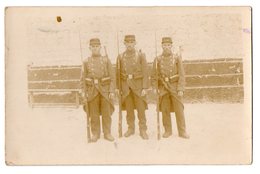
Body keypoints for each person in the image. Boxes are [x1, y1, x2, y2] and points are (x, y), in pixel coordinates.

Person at [151, 37, 189, 139]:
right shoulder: (157, 59)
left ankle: (182, 131)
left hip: (175, 87)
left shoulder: (176, 58)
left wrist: (181, 89)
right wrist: (155, 88)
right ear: (162, 46)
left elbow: (181, 74)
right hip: (163, 88)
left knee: (179, 110)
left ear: (171, 46)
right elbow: (154, 76)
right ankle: (167, 130)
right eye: (164, 45)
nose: (166, 47)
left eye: (168, 45)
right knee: (165, 110)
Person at [81, 38, 115, 142]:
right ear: (90, 48)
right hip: (92, 90)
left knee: (106, 113)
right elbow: (82, 79)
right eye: (93, 47)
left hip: (104, 90)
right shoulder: (86, 62)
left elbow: (112, 77)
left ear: (100, 47)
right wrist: (83, 92)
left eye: (97, 46)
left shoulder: (106, 60)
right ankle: (95, 133)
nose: (95, 49)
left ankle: (107, 133)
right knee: (93, 113)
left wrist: (112, 91)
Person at [116, 35, 149, 140]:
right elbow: (117, 74)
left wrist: (144, 87)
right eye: (127, 42)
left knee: (141, 109)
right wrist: (118, 88)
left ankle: (143, 130)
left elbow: (145, 72)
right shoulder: (120, 57)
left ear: (135, 43)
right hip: (126, 88)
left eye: (131, 42)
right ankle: (131, 128)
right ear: (124, 44)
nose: (129, 44)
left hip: (138, 87)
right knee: (129, 110)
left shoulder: (140, 55)